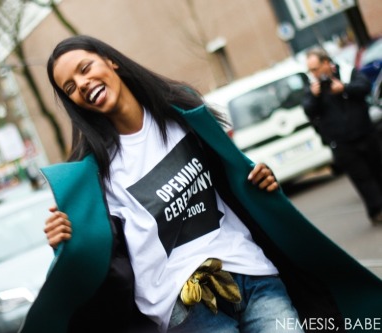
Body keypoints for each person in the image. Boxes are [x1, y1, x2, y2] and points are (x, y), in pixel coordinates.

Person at [20, 36, 382, 333]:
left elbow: (234, 181)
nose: (82, 84)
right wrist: (67, 241)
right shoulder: (94, 172)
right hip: (184, 309)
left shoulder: (184, 114)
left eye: (85, 68)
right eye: (70, 87)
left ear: (110, 61)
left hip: (252, 275)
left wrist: (261, 180)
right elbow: (98, 254)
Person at [302, 47, 382, 224]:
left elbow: (365, 87)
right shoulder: (312, 87)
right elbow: (308, 110)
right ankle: (376, 210)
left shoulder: (347, 72)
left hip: (365, 133)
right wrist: (315, 96)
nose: (313, 73)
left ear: (325, 63)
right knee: (361, 177)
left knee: (377, 170)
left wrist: (345, 88)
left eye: (315, 69)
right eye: (310, 70)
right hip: (341, 143)